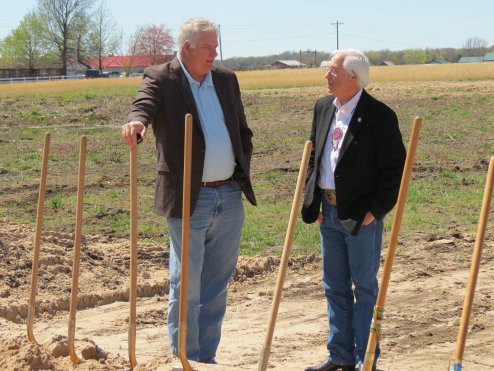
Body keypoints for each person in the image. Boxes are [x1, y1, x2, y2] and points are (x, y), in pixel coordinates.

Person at [121, 17, 256, 364]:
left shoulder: (225, 80)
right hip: (187, 197)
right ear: (187, 48)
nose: (215, 53)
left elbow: (242, 131)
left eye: (216, 46)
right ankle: (185, 358)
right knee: (187, 284)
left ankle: (205, 358)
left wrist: (240, 166)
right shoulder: (162, 77)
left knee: (216, 285)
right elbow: (144, 105)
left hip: (228, 195)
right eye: (208, 47)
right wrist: (136, 122)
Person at [301, 49, 406, 371]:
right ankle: (340, 356)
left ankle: (366, 360)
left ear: (354, 78)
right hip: (328, 213)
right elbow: (313, 157)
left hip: (361, 216)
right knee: (333, 287)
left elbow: (395, 171)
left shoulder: (379, 115)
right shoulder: (323, 108)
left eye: (333, 71)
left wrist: (376, 210)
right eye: (327, 71)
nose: (326, 76)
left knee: (363, 287)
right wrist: (312, 201)